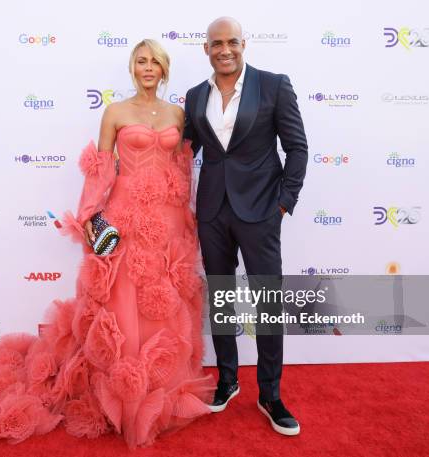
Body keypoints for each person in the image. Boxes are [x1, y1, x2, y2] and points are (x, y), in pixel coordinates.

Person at [0, 39, 215, 449]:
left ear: (165, 70)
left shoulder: (177, 114)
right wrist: (91, 219)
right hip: (124, 218)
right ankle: (122, 392)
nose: (147, 67)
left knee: (162, 304)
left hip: (165, 224)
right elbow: (100, 171)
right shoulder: (114, 112)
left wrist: (185, 220)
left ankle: (157, 390)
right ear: (133, 68)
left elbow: (181, 169)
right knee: (124, 304)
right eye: (141, 61)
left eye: (154, 62)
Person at [184, 17, 308, 436]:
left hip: (261, 211)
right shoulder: (195, 95)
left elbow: (297, 147)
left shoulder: (273, 85)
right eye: (216, 43)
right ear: (206, 49)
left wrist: (284, 203)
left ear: (244, 44)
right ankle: (227, 378)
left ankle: (270, 393)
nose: (225, 50)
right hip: (212, 211)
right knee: (220, 297)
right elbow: (182, 148)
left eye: (232, 42)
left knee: (268, 302)